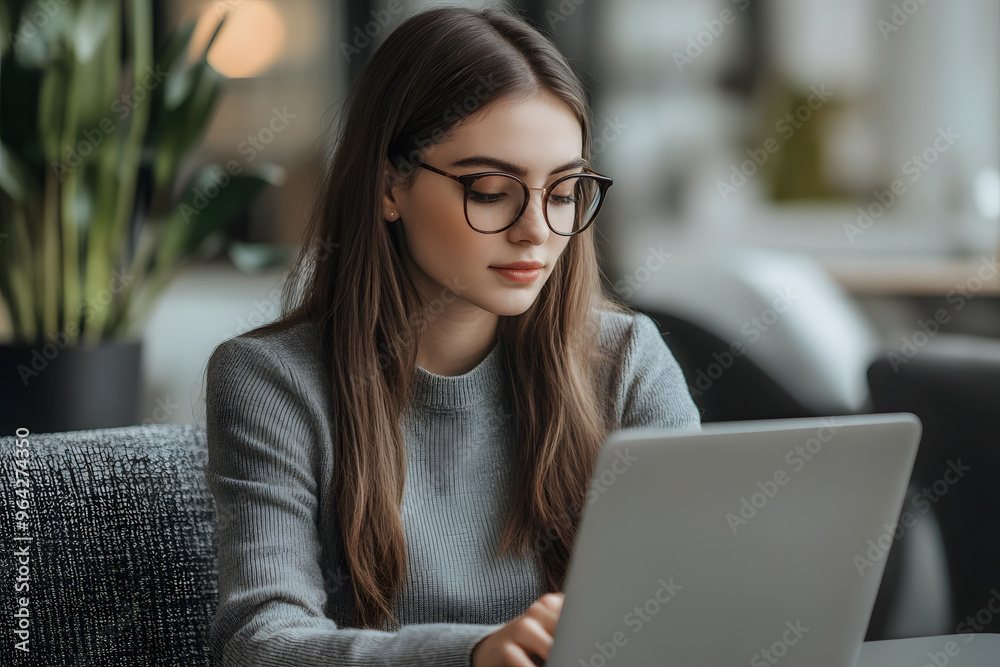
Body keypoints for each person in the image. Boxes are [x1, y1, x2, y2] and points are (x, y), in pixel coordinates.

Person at [204, 5, 701, 666]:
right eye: (492, 190)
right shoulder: (271, 381)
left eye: (562, 191)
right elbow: (260, 644)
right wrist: (473, 654)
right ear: (390, 186)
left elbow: (698, 600)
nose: (537, 230)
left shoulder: (625, 360)